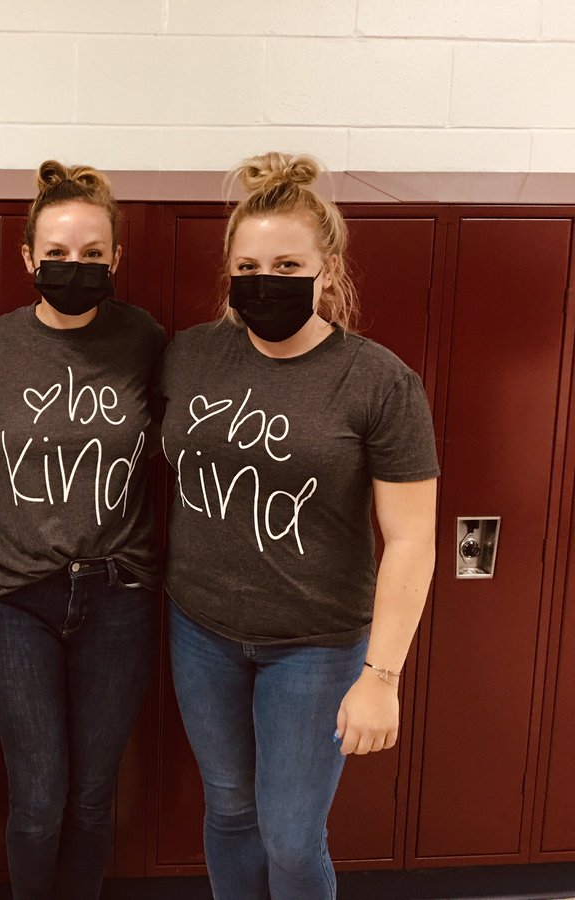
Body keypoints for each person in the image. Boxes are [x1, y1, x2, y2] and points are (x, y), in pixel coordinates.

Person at [160, 152, 439, 899]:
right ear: (228, 272)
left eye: (288, 263)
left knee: (289, 835)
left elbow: (411, 537)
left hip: (315, 648)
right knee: (228, 809)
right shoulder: (190, 356)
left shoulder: (378, 381)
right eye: (249, 265)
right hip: (201, 630)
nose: (266, 280)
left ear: (328, 269)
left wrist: (382, 676)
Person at [0, 160, 166, 899]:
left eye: (91, 255)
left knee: (90, 796)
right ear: (27, 258)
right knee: (40, 798)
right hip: (18, 596)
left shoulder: (144, 338)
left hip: (120, 594)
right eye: (56, 254)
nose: (73, 268)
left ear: (117, 258)